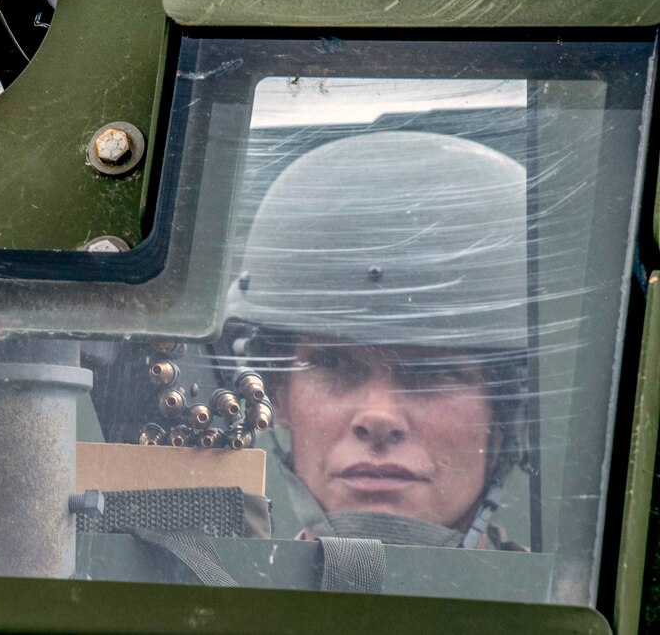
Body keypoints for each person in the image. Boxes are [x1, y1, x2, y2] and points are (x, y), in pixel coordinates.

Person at [225, 130, 531, 549]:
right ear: (278, 394)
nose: (378, 418)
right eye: (332, 364)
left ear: (505, 415)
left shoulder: (572, 603)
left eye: (434, 371)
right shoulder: (205, 607)